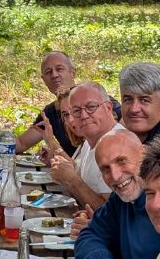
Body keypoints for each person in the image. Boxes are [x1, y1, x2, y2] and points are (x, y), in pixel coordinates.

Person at [74, 129, 160, 259]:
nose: (115, 176)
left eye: (121, 161)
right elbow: (89, 235)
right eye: (106, 169)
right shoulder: (122, 201)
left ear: (144, 154)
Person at [47, 81, 121, 209]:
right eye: (76, 111)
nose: (84, 116)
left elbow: (112, 215)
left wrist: (72, 180)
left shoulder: (115, 147)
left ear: (108, 107)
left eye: (91, 107)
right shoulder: (90, 139)